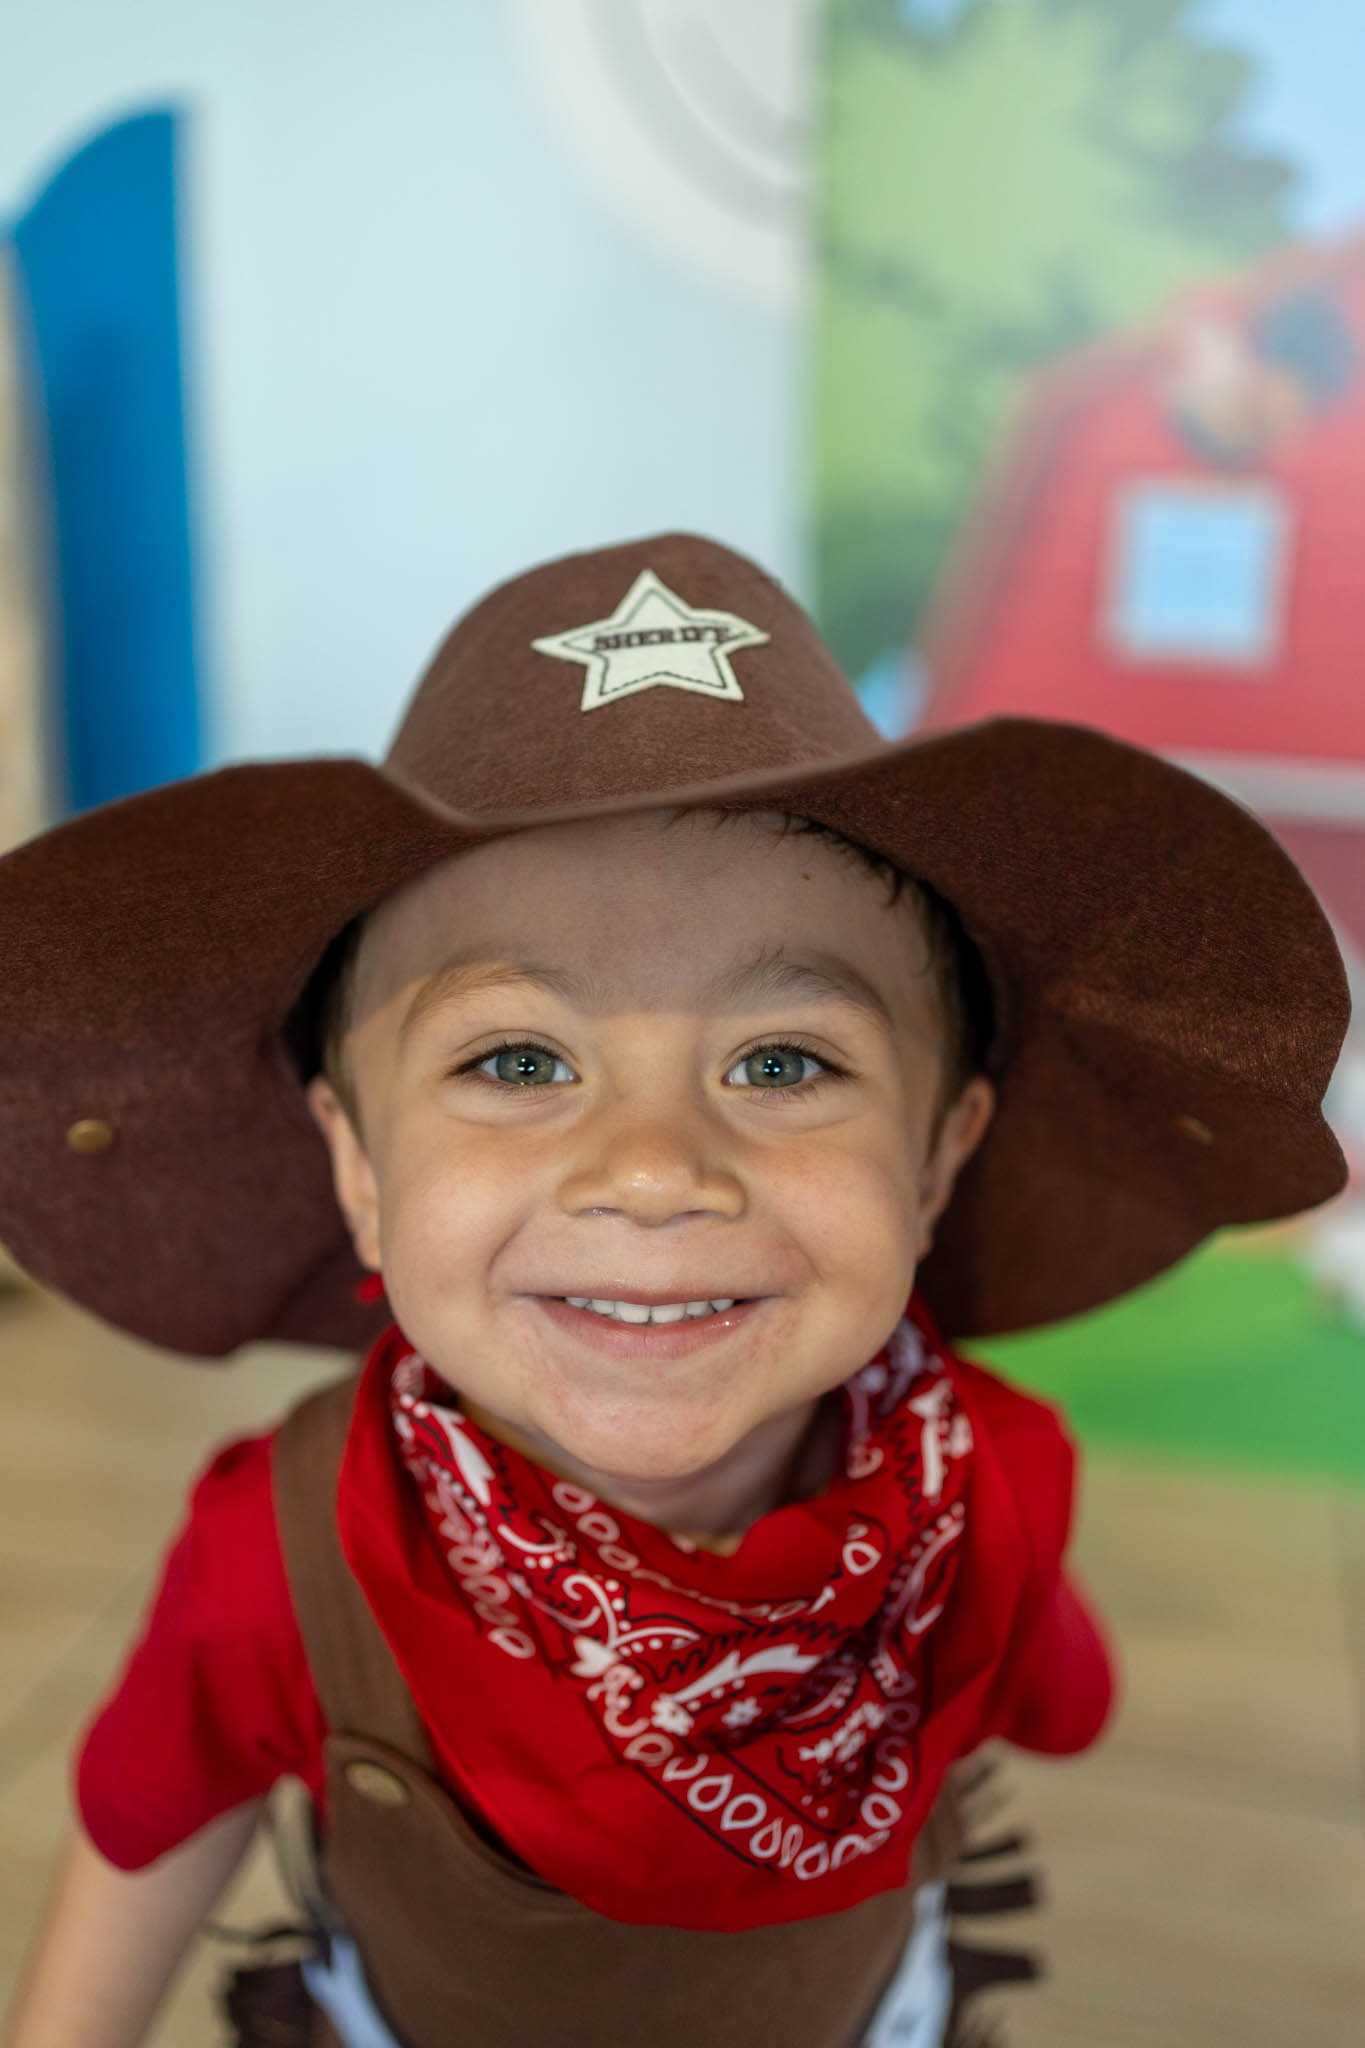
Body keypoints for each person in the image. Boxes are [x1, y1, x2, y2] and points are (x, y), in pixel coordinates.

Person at [0, 533, 1348, 2048]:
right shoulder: (282, 1542)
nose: (651, 1170)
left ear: (934, 1154)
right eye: (517, 1060)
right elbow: (149, 1828)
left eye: (783, 1063)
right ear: (360, 1165)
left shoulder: (993, 1492)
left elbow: (1052, 1697)